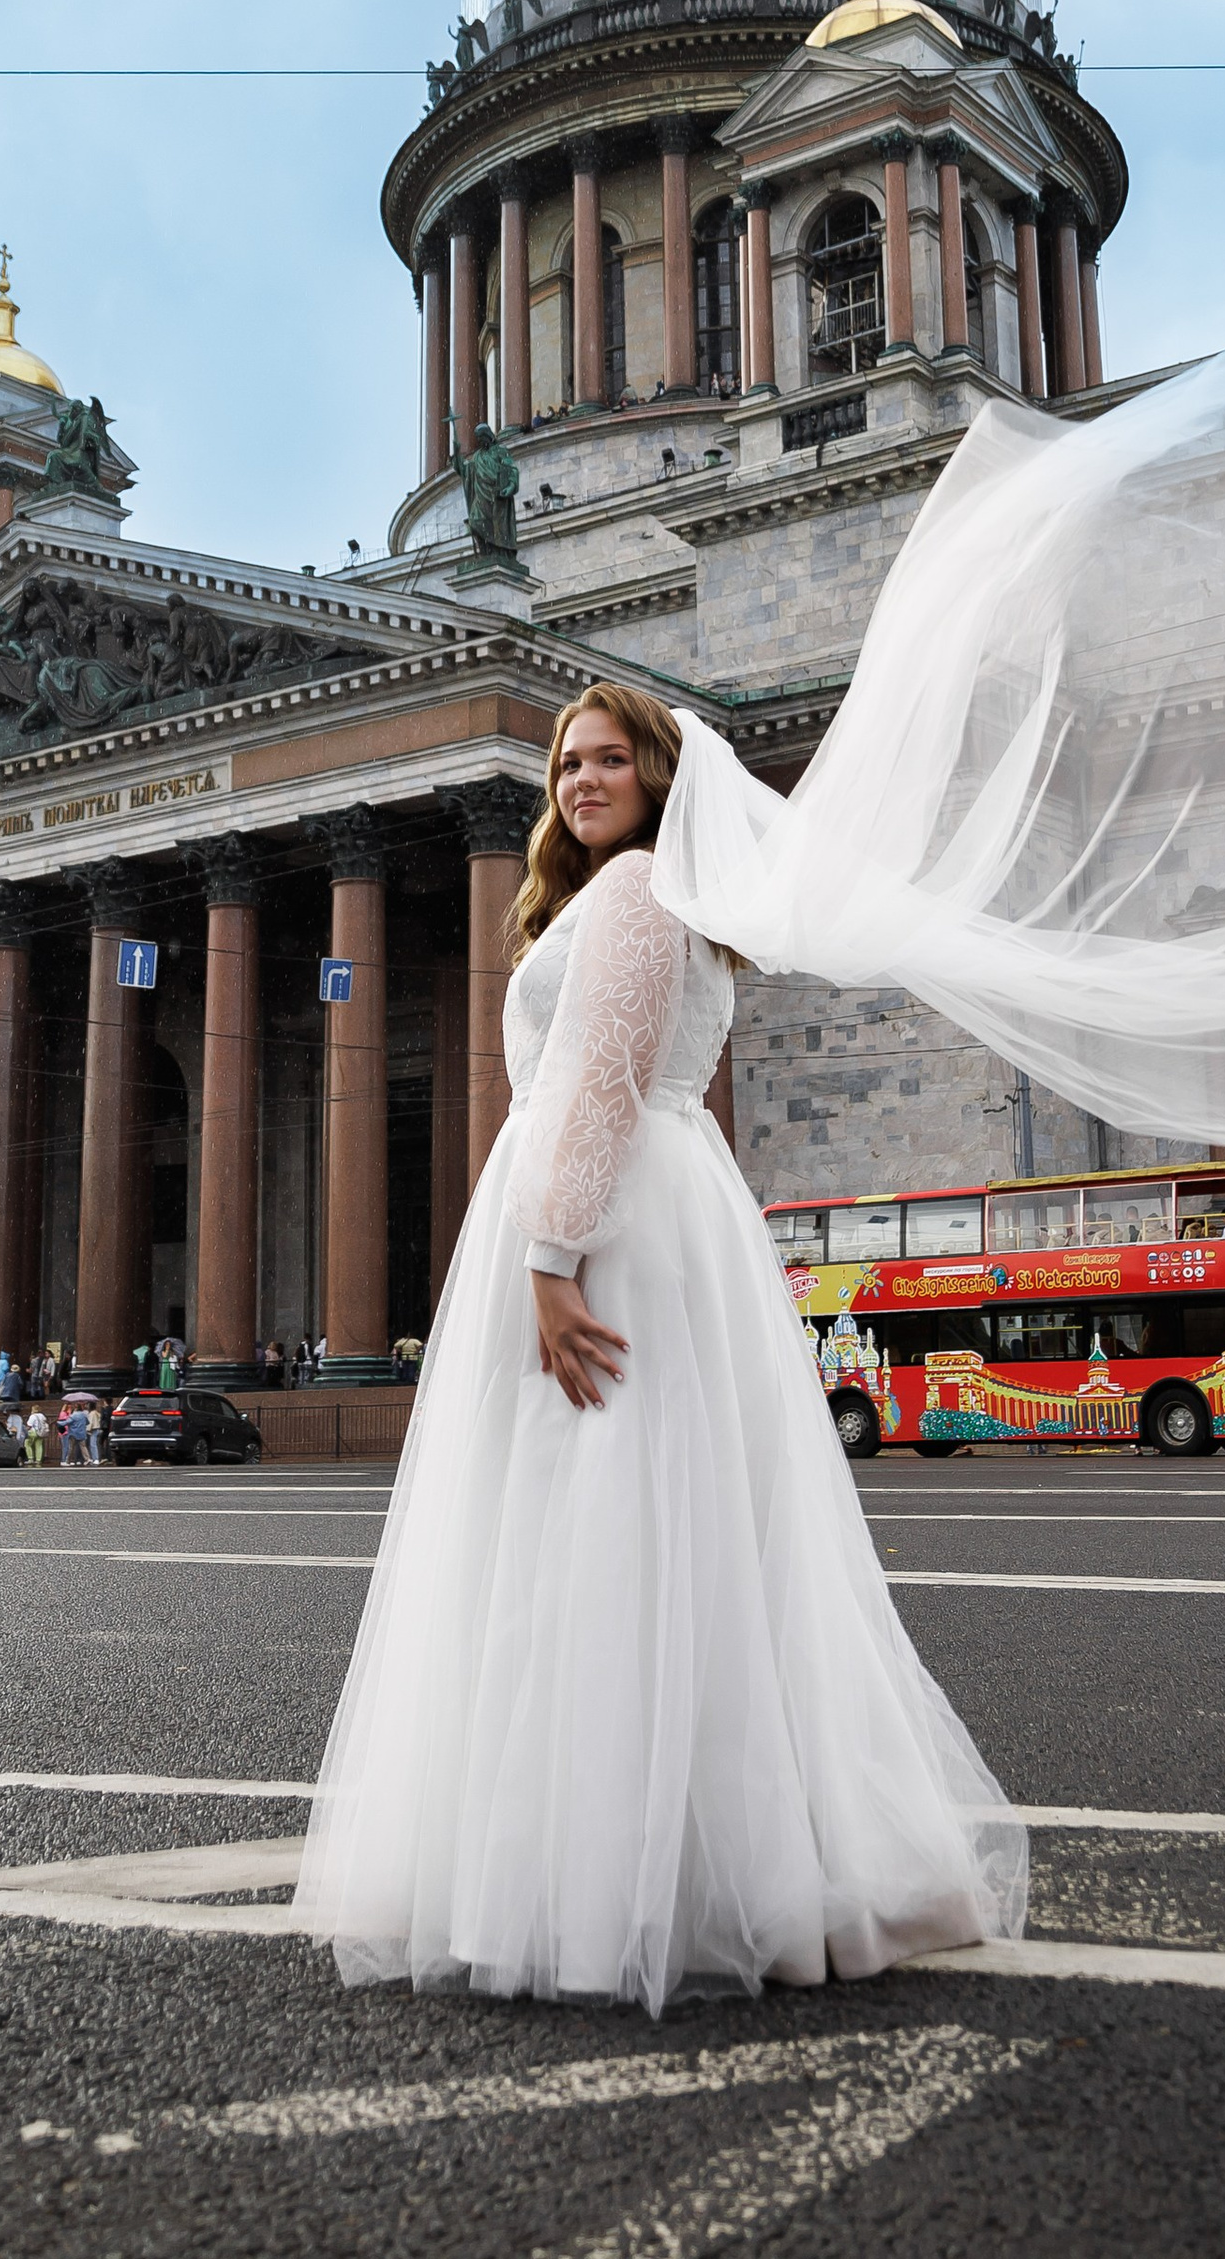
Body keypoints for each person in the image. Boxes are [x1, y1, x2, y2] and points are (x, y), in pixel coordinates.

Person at [295, 682, 1026, 2010]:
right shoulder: (657, 896)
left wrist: (549, 1262)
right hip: (668, 1214)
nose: (580, 780)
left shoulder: (633, 893)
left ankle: (603, 1876)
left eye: (609, 759)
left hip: (614, 1222)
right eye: (568, 762)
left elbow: (603, 1086)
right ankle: (696, 1863)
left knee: (594, 1526)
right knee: (665, 1536)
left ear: (658, 777)